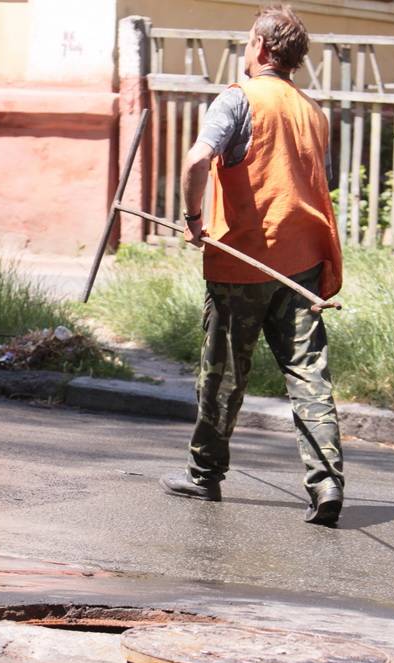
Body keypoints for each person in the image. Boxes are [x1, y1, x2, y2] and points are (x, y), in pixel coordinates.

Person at [159, 3, 344, 526]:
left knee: (223, 375)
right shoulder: (313, 112)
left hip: (242, 263)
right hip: (302, 266)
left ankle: (204, 476)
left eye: (247, 41)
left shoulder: (238, 99)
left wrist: (193, 219)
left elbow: (198, 159)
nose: (245, 48)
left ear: (261, 47)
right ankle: (327, 483)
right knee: (309, 376)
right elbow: (316, 183)